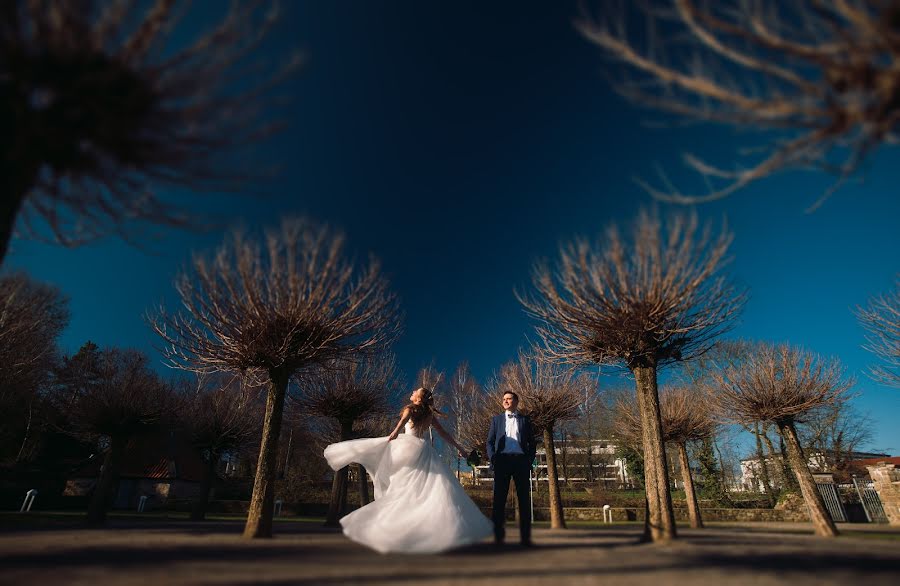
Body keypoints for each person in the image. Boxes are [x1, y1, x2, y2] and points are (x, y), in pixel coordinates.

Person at [323, 386, 493, 554]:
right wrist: (459, 447)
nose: (412, 392)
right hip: (424, 451)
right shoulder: (429, 415)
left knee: (403, 487)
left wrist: (390, 437)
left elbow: (400, 426)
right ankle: (423, 529)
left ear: (418, 398)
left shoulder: (410, 409)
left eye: (415, 391)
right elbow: (443, 434)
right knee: (425, 488)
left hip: (407, 448)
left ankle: (397, 527)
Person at [486, 390, 537, 547]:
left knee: (524, 501)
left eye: (509, 399)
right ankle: (498, 538)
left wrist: (529, 461)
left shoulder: (525, 420)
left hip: (521, 462)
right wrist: (493, 458)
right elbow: (489, 442)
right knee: (499, 500)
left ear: (516, 402)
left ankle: (525, 538)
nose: (505, 401)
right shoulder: (496, 420)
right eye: (504, 399)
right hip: (502, 461)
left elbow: (532, 442)